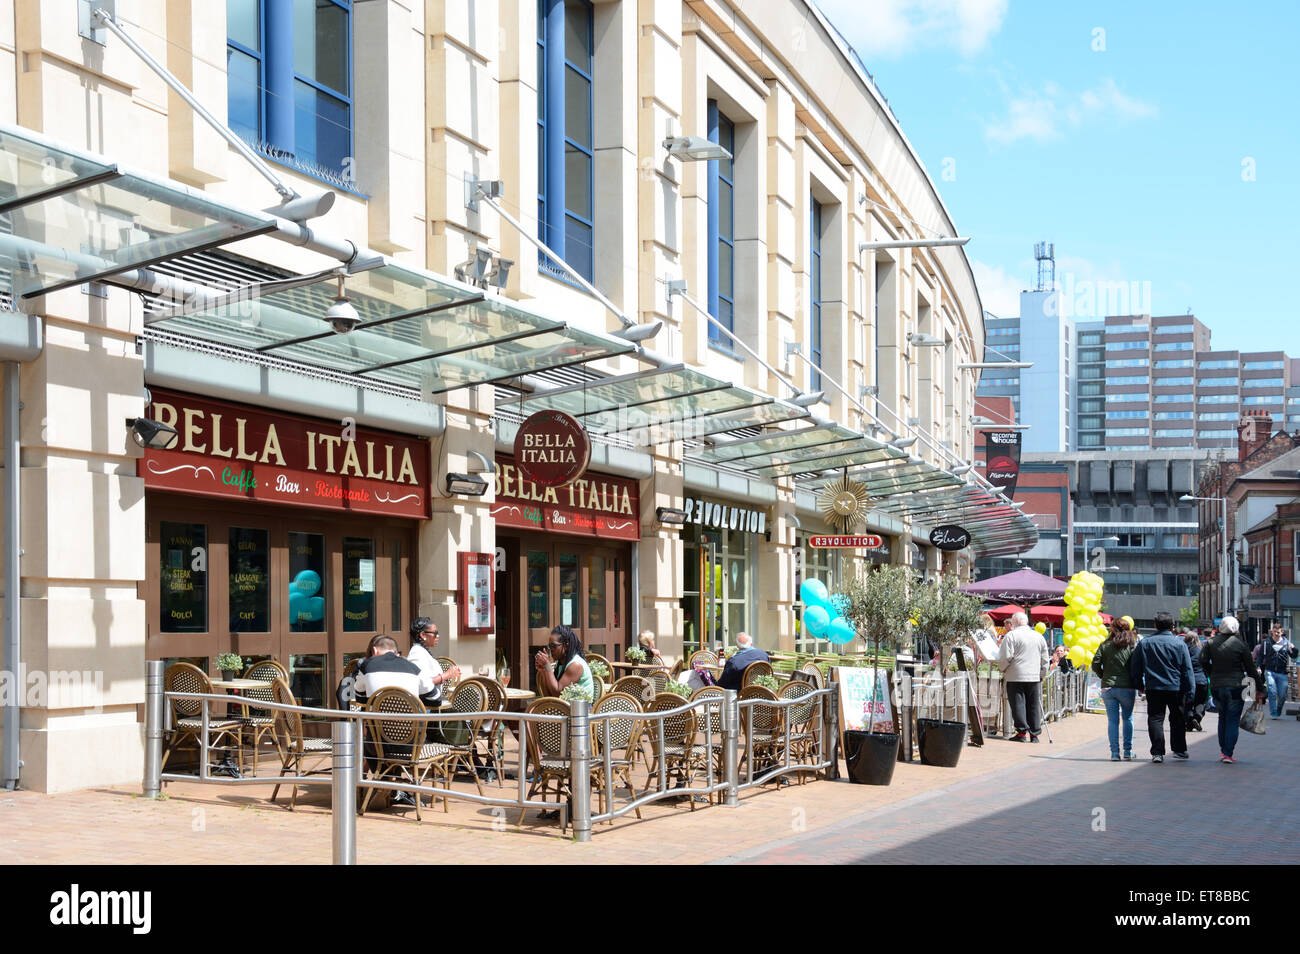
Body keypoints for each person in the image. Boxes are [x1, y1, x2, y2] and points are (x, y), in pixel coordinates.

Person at [1199, 615, 1266, 763]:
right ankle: (1228, 752)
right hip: (1236, 686)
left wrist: (1211, 672)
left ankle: (1223, 750)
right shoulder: (1240, 645)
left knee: (1222, 717)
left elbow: (1202, 659)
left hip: (1217, 685)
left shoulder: (1210, 643)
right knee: (1233, 719)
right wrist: (1260, 689)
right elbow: (1251, 669)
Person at [1130, 611, 1194, 763]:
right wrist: (1190, 690)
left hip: (1154, 687)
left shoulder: (1145, 643)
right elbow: (1187, 669)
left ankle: (1157, 752)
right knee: (1177, 718)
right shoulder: (1179, 644)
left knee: (1155, 718)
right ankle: (1179, 749)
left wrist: (1139, 684)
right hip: (1175, 687)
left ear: (1155, 625)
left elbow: (1135, 665)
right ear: (1172, 627)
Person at [996, 611, 1049, 742]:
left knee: (1018, 704)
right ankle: (1034, 734)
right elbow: (1045, 658)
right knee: (1033, 704)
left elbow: (1005, 657)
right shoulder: (1038, 636)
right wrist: (1042, 673)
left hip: (1016, 675)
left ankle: (1021, 733)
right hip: (1034, 676)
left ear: (1016, 622)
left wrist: (1002, 668)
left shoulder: (1011, 636)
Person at [1092, 618, 1137, 760]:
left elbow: (1095, 664)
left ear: (1113, 629)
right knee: (1128, 718)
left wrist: (1102, 675)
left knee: (1112, 721)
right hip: (1127, 687)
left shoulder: (1105, 645)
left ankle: (1115, 753)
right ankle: (1127, 751)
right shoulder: (1131, 646)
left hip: (1108, 687)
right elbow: (1136, 665)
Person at [406, 617, 459, 708]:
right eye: (435, 633)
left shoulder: (422, 651)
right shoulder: (416, 653)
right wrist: (446, 675)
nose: (438, 636)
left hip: (430, 703)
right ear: (423, 635)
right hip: (424, 707)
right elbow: (420, 683)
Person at [534, 624, 594, 699]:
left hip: (580, 709)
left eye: (553, 646)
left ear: (566, 646)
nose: (550, 650)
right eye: (549, 646)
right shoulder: (561, 664)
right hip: (566, 707)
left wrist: (547, 666)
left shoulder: (575, 665)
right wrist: (544, 671)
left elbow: (559, 694)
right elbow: (549, 696)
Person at [1257, 622, 1298, 719]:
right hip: (1270, 671)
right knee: (1272, 691)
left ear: (1282, 632)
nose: (1276, 634)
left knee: (1283, 695)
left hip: (1282, 672)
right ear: (1272, 632)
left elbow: (1293, 656)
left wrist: (1294, 649)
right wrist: (1258, 667)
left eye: (1278, 632)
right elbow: (1260, 656)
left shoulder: (1286, 643)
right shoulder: (1266, 642)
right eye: (1274, 632)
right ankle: (1273, 712)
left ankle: (1279, 708)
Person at [1183, 633, 1209, 731]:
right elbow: (1207, 664)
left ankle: (1189, 723)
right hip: (1201, 680)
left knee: (1188, 702)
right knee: (1200, 702)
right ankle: (1197, 717)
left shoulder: (1184, 649)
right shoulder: (1201, 650)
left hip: (1188, 681)